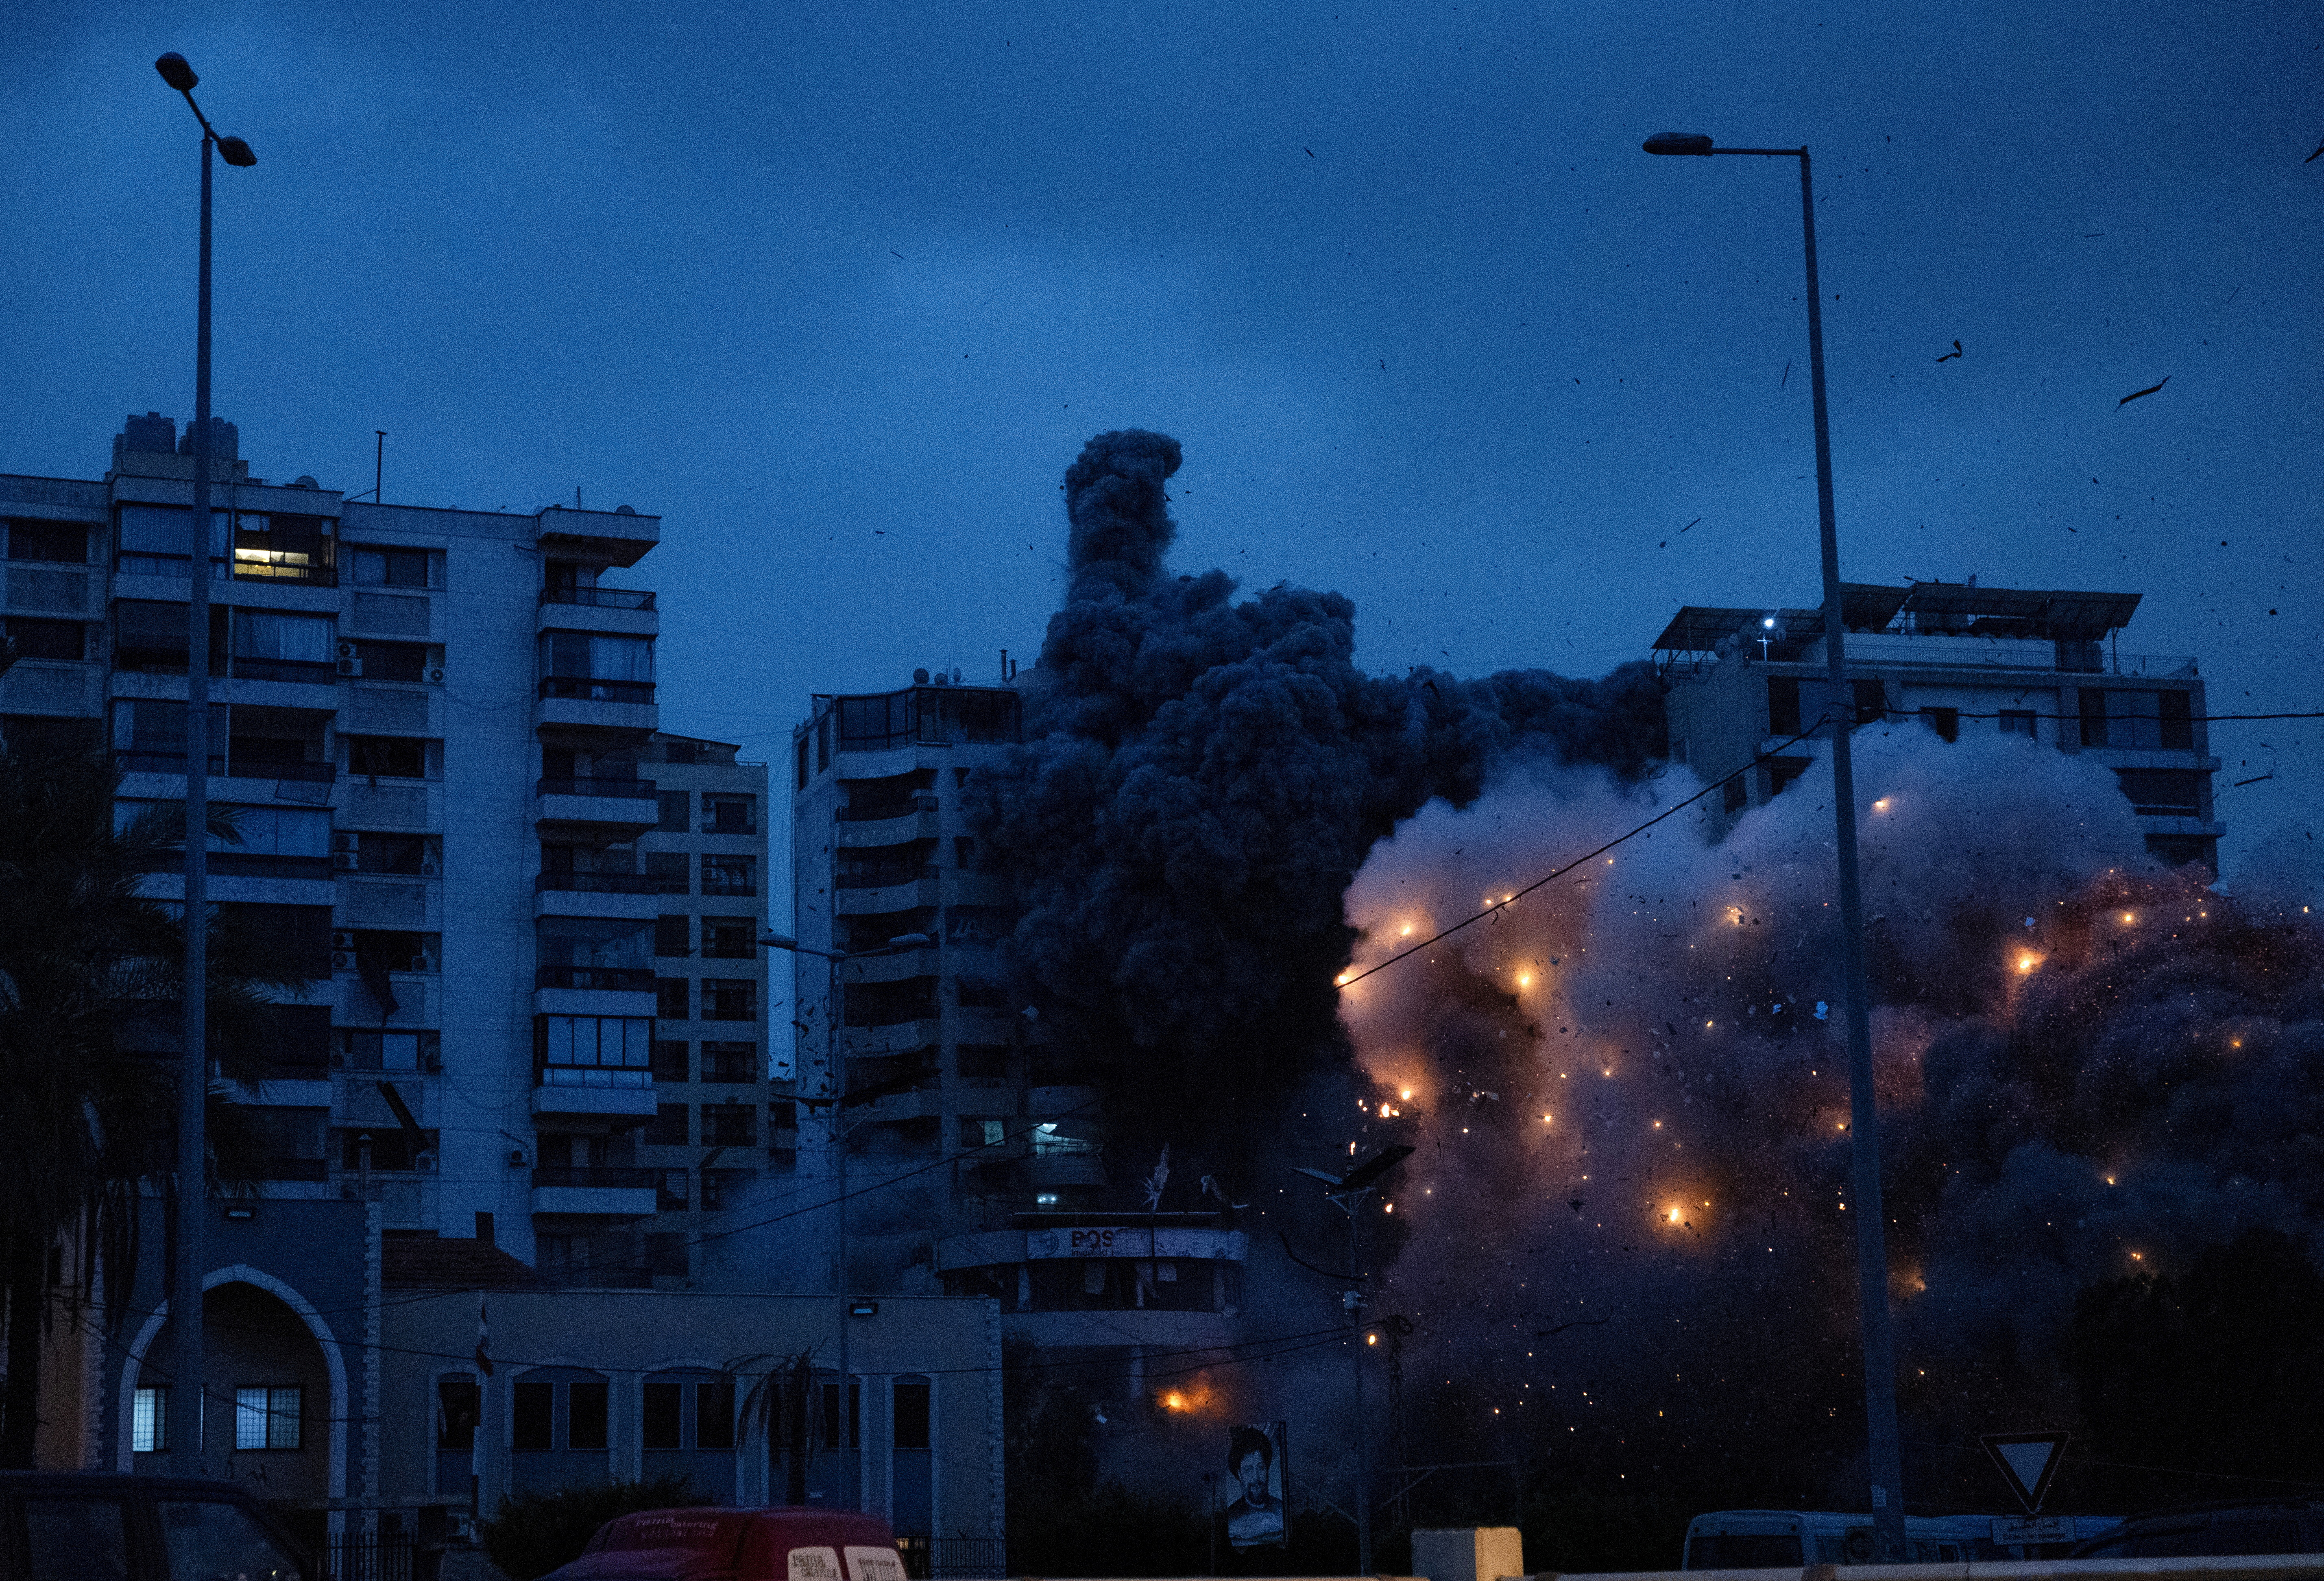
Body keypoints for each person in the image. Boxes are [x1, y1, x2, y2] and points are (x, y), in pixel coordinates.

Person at [1223, 1425, 1285, 1549]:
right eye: (1249, 1470)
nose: (1256, 1477)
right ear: (1240, 1474)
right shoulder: (1233, 1516)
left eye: (1261, 1467)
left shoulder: (1281, 1509)